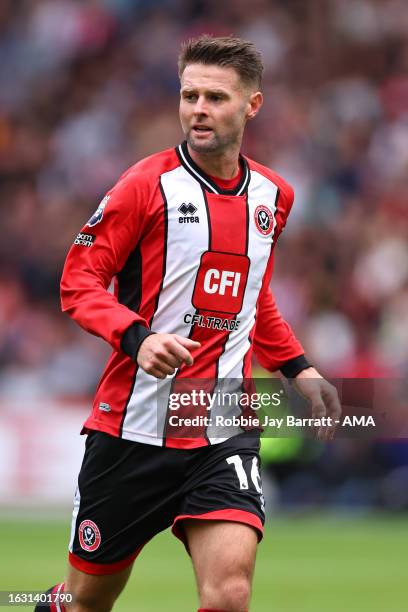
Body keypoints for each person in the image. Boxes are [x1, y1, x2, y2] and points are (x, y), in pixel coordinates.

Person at [37, 35, 341, 612]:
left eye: (215, 97)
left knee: (228, 595)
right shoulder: (142, 186)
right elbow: (78, 281)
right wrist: (138, 336)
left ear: (252, 104)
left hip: (223, 424)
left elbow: (254, 298)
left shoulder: (275, 196)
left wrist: (298, 367)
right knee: (85, 601)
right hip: (133, 430)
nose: (198, 109)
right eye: (189, 95)